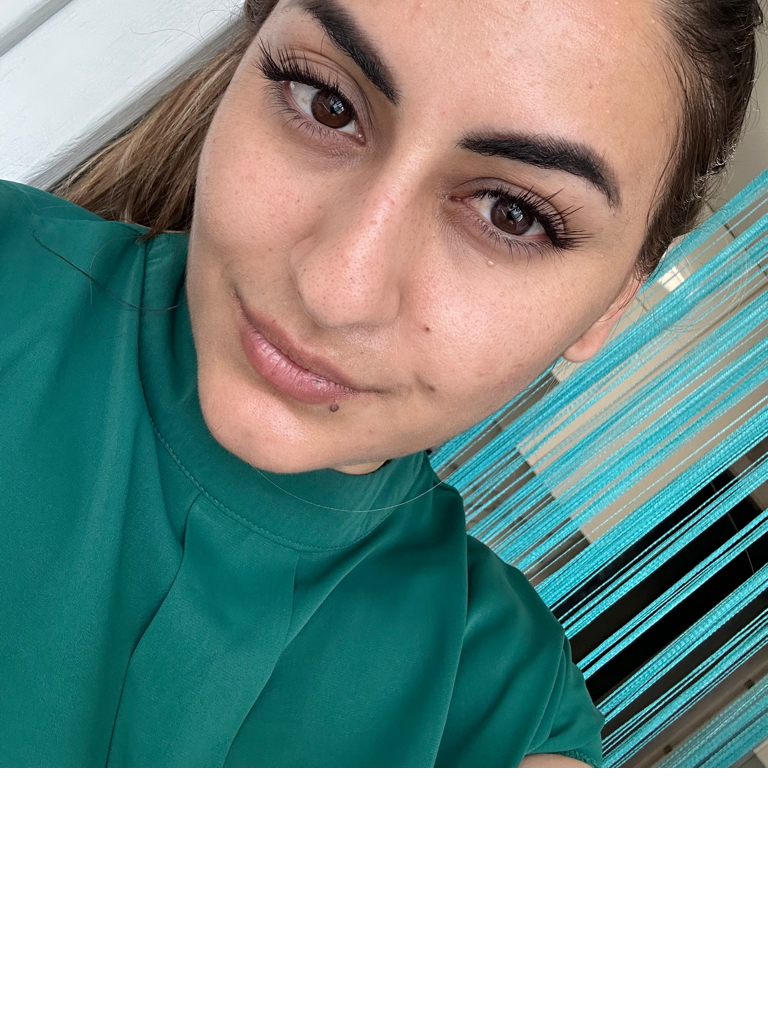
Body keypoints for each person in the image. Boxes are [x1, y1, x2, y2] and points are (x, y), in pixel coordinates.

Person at [0, 0, 761, 767]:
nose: (335, 289)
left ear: (615, 302)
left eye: (512, 214)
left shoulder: (498, 717)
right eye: (325, 103)